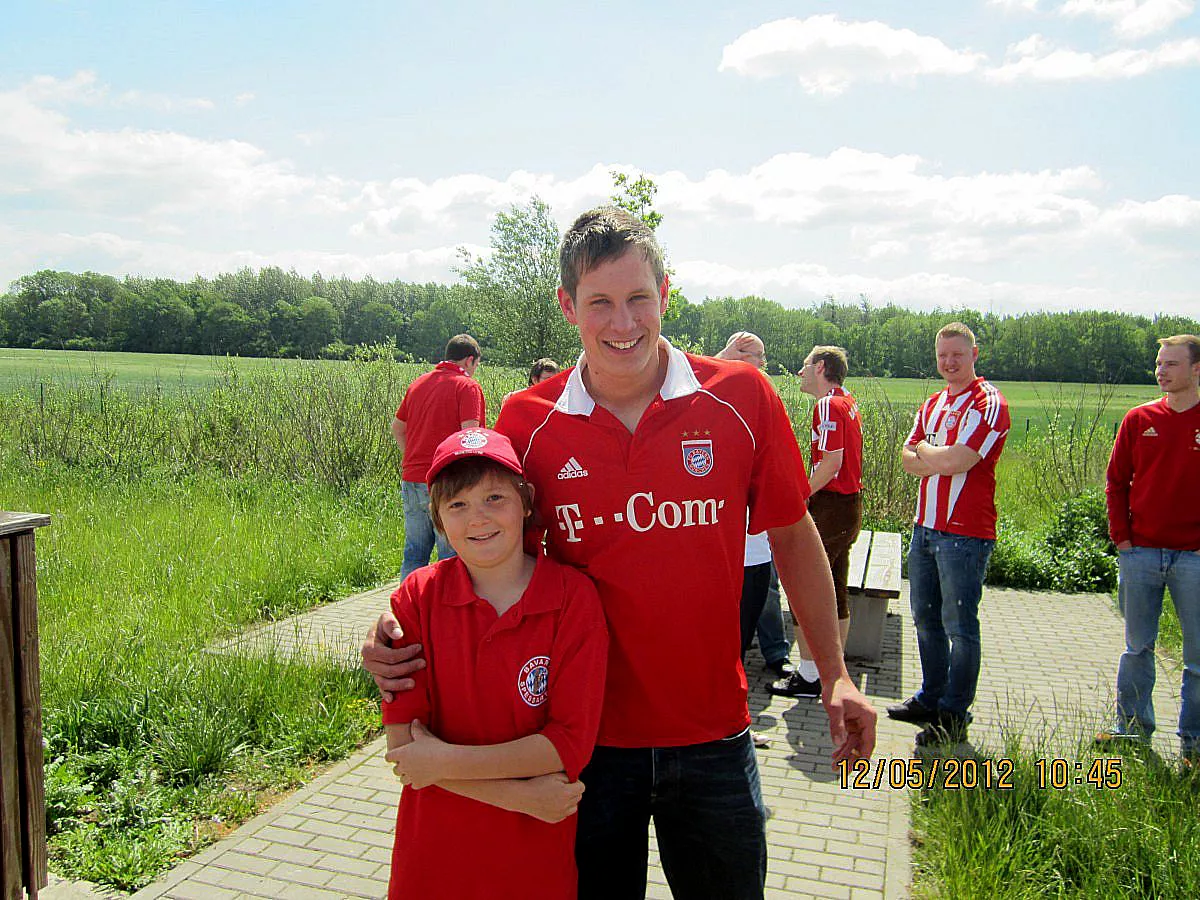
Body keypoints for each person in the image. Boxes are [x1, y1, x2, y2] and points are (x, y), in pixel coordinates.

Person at [365, 207, 875, 900]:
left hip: (714, 733)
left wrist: (837, 673)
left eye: (639, 298)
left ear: (666, 294)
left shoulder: (741, 397)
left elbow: (791, 534)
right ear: (567, 305)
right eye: (600, 302)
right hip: (585, 744)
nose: (623, 322)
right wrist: (405, 620)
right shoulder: (526, 420)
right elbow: (493, 554)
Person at [383, 427, 608, 899]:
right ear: (439, 521)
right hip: (435, 857)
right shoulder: (417, 598)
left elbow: (567, 745)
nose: (478, 518)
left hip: (532, 862)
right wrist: (522, 796)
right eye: (457, 505)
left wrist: (440, 762)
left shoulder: (572, 598)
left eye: (494, 498)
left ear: (526, 502)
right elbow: (406, 750)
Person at [888, 322, 1010, 747]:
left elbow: (961, 459)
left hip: (965, 533)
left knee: (960, 625)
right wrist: (931, 456)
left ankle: (955, 713)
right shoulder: (934, 402)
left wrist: (927, 451)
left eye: (957, 354)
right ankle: (931, 696)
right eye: (942, 355)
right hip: (925, 526)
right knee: (924, 619)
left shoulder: (988, 402)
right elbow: (907, 459)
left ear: (974, 354)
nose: (949, 363)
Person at [1096, 334, 1200, 766]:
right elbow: (1116, 482)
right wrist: (1123, 541)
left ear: (1197, 369)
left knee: (1197, 659)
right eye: (1159, 363)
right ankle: (1133, 732)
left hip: (1194, 558)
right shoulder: (1139, 419)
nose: (1161, 371)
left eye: (1172, 364)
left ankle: (1193, 743)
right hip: (1140, 555)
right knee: (1137, 648)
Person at [770, 345, 863, 699]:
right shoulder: (847, 400)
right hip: (849, 503)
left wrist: (799, 496)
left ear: (821, 367)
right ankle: (833, 670)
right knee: (835, 587)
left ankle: (810, 675)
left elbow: (830, 463)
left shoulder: (827, 405)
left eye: (805, 365)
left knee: (804, 586)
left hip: (830, 504)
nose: (800, 372)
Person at [714, 331, 792, 681]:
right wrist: (723, 358)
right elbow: (680, 394)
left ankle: (740, 715)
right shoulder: (714, 397)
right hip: (718, 549)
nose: (763, 363)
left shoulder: (765, 399)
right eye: (756, 355)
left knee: (742, 639)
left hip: (756, 548)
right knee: (721, 644)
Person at [391, 334, 486, 579]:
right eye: (476, 365)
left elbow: (397, 428)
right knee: (450, 554)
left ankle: (409, 610)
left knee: (415, 551)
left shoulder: (418, 384)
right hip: (447, 481)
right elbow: (470, 435)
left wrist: (413, 455)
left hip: (412, 477)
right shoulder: (467, 386)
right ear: (469, 360)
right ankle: (447, 613)